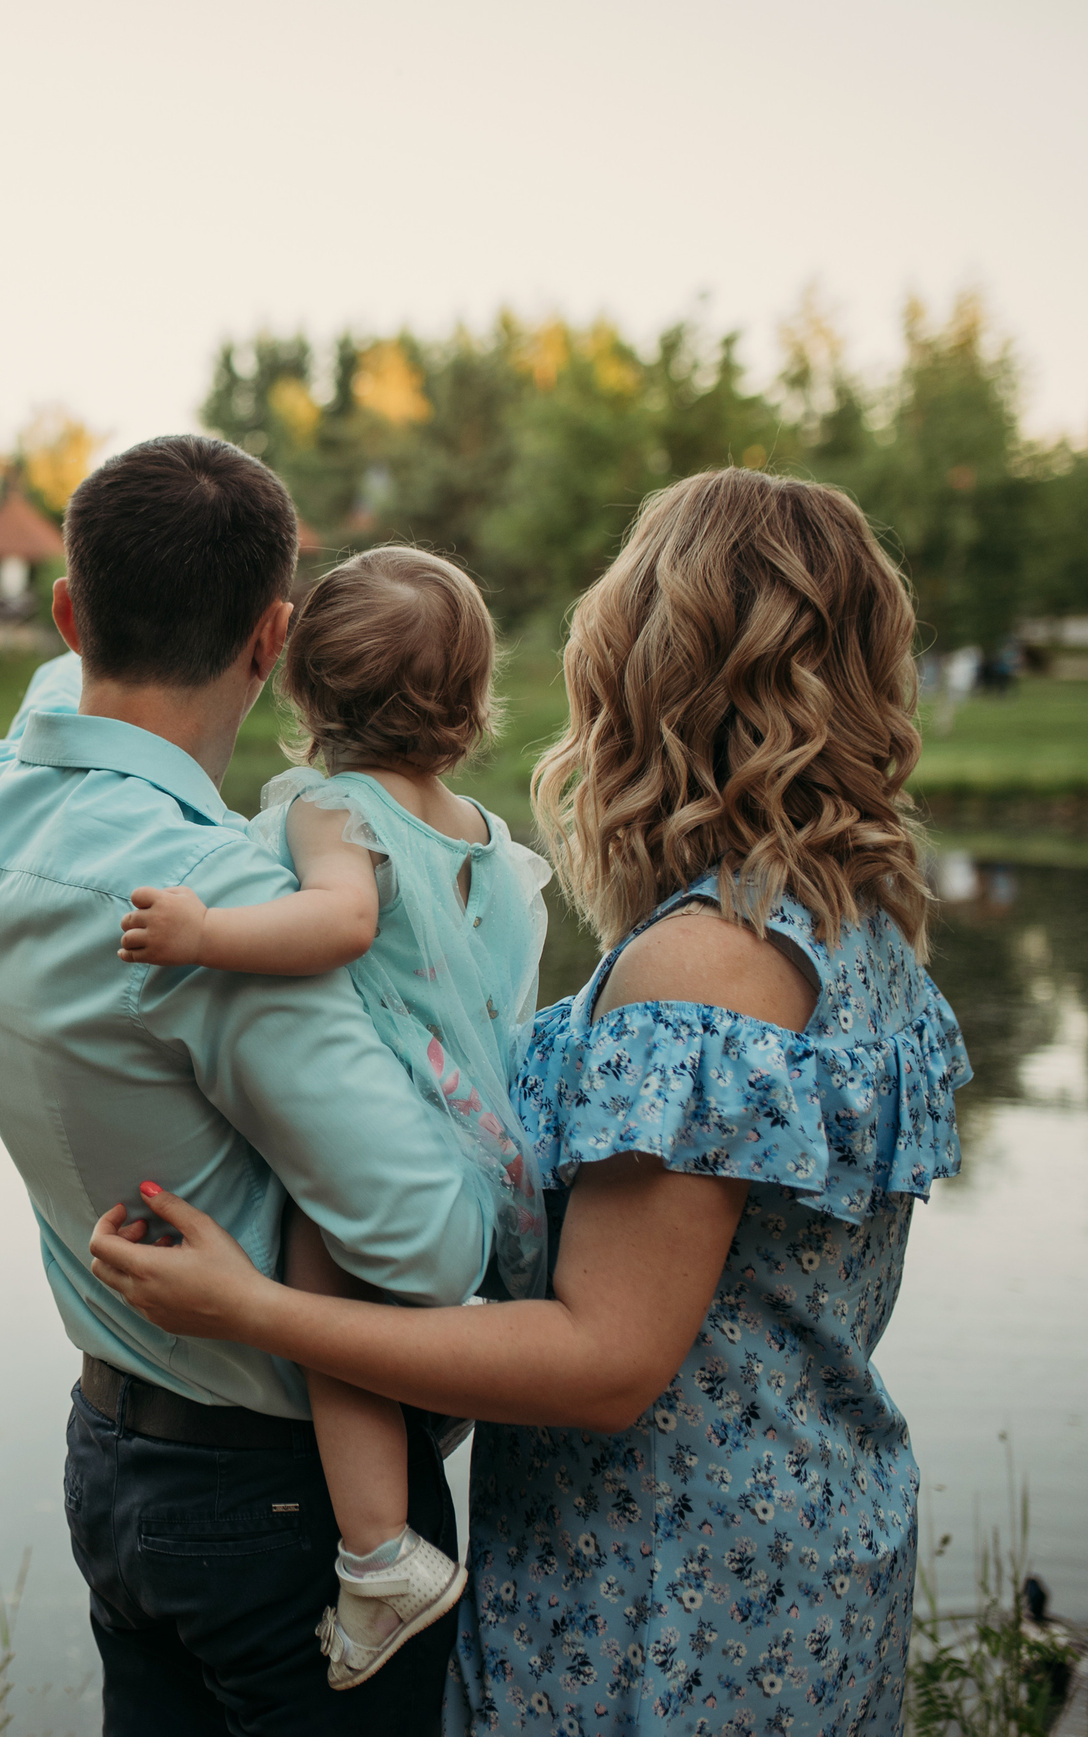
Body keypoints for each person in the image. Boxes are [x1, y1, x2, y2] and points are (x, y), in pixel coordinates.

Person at [87, 467, 971, 1734]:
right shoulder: (860, 932)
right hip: (808, 1551)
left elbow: (601, 1362)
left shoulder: (707, 962)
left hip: (657, 1603)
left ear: (652, 678)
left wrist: (256, 1309)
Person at [0, 434, 498, 1734]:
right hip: (290, 1510)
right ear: (271, 640)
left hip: (114, 1457)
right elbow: (430, 1244)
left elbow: (53, 701)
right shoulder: (225, 908)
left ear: (68, 610)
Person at [115, 546, 551, 1690]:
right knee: (370, 1306)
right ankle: (409, 1478)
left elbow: (343, 923)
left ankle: (377, 1552)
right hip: (484, 1152)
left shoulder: (329, 808)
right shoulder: (484, 840)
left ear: (304, 689)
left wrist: (205, 937)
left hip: (391, 1134)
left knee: (322, 1289)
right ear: (470, 701)